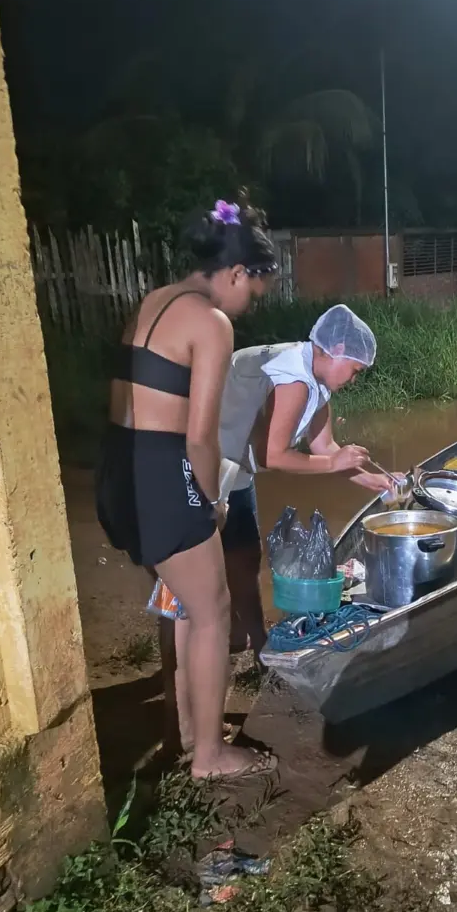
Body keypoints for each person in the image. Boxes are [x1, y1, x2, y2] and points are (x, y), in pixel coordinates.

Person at [159, 305, 400, 755]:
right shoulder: (292, 377)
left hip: (232, 469)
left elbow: (324, 448)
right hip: (194, 467)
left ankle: (254, 645)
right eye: (355, 368)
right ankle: (185, 731)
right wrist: (334, 461)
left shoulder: (319, 382)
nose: (355, 376)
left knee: (245, 556)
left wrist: (373, 479)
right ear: (335, 351)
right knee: (187, 600)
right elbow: (276, 456)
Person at [96, 199, 280, 782]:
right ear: (236, 273)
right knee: (213, 611)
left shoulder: (154, 302)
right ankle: (210, 757)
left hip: (118, 471)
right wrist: (212, 502)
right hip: (161, 475)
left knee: (179, 600)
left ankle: (185, 728)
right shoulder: (210, 322)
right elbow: (199, 439)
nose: (247, 306)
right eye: (252, 292)